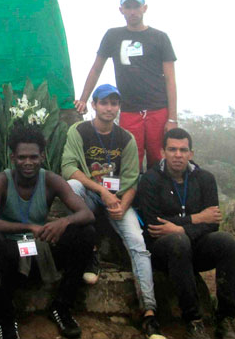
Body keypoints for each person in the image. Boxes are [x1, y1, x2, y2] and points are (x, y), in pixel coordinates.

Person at [62, 84, 166, 339]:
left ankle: (149, 311)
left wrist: (124, 204)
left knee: (137, 241)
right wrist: (102, 191)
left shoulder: (126, 139)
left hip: (118, 201)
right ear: (95, 105)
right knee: (73, 186)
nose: (109, 108)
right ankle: (90, 252)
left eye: (114, 103)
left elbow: (132, 180)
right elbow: (68, 168)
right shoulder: (79, 131)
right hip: (91, 194)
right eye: (104, 102)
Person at [0, 125, 95, 339]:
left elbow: (86, 213)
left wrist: (64, 222)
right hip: (12, 255)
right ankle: (5, 319)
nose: (28, 163)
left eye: (33, 157)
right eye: (22, 157)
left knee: (86, 232)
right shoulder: (2, 181)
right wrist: (28, 227)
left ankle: (61, 307)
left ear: (42, 156)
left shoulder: (51, 180)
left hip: (39, 250)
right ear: (13, 157)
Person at [137, 128, 235, 339]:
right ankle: (193, 320)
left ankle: (225, 319)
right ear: (163, 152)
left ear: (191, 153)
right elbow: (154, 224)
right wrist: (196, 218)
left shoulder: (205, 179)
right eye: (172, 149)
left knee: (227, 243)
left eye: (183, 150)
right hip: (163, 251)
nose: (178, 155)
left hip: (196, 247)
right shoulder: (150, 180)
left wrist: (182, 227)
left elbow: (213, 223)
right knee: (178, 241)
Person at [75, 0, 178, 169]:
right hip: (129, 109)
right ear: (121, 9)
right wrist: (83, 99)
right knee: (130, 161)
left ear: (144, 8)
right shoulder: (113, 35)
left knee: (159, 160)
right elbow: (96, 68)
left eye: (136, 7)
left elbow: (170, 79)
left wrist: (172, 118)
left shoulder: (159, 37)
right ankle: (131, 197)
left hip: (157, 109)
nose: (132, 11)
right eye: (128, 7)